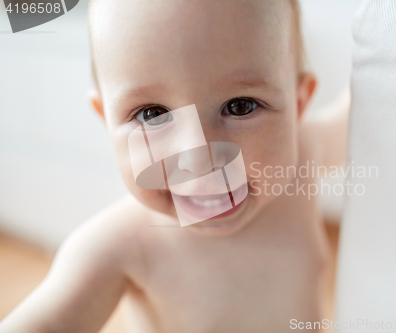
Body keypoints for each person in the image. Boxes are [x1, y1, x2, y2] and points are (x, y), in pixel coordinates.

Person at [0, 0, 349, 331]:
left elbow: (370, 104)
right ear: (106, 121)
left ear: (299, 105)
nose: (199, 160)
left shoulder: (305, 152)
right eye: (152, 114)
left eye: (240, 105)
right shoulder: (114, 248)